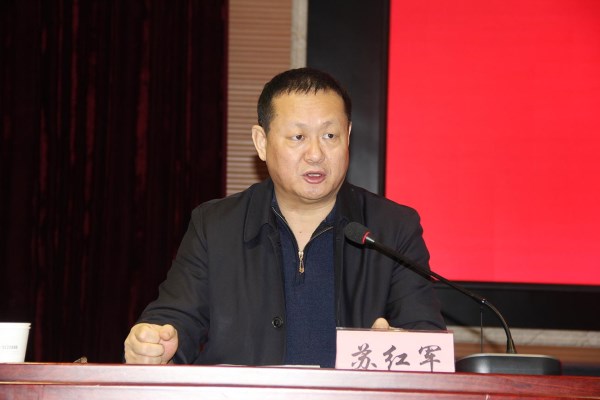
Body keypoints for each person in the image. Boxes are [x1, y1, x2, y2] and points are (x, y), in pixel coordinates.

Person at [124, 67, 445, 367]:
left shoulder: (392, 229)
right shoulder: (215, 226)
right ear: (261, 142)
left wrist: (401, 346)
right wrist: (153, 344)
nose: (316, 154)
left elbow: (427, 343)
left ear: (347, 136)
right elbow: (174, 321)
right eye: (298, 137)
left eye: (330, 136)